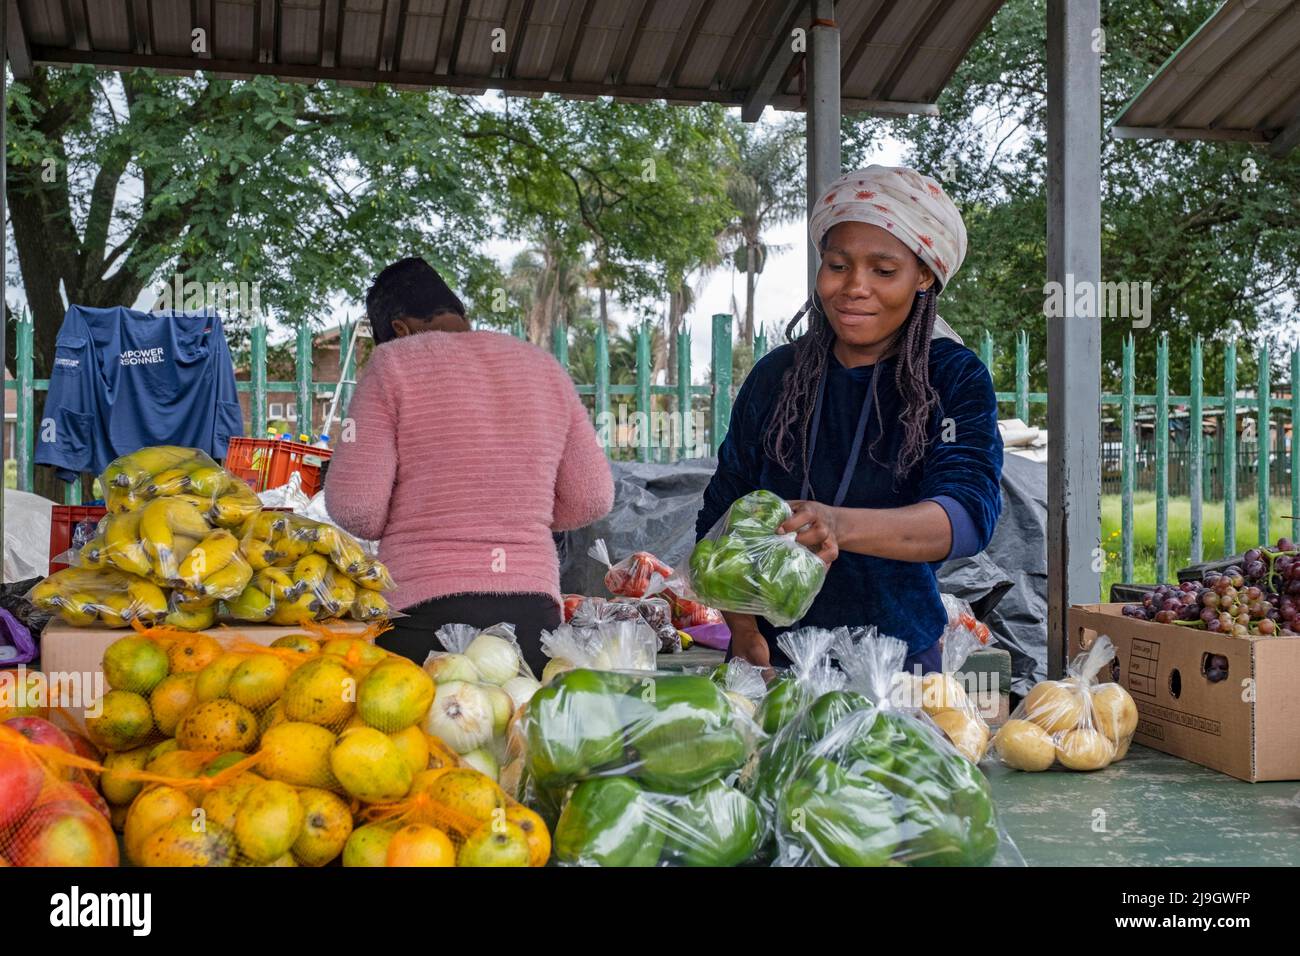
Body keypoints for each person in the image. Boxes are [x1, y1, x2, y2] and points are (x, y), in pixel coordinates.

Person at [696, 166, 1003, 674]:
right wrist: (744, 630)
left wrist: (837, 523)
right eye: (837, 265)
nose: (854, 288)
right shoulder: (778, 374)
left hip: (896, 662)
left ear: (923, 275)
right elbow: (720, 513)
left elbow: (966, 516)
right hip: (770, 658)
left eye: (884, 271)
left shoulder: (951, 375)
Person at [324, 257, 614, 674]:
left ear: (400, 330)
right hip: (534, 623)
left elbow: (358, 509)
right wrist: (519, 516)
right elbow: (592, 498)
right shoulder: (543, 367)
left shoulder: (394, 365)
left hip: (421, 621)